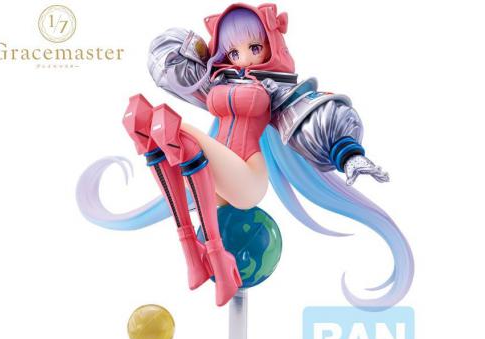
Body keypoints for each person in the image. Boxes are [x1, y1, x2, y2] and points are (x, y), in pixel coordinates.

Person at [76, 3, 413, 309]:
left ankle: (212, 258)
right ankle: (195, 255)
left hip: (247, 177)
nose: (245, 58)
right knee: (142, 120)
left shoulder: (276, 90)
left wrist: (348, 154)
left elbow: (312, 115)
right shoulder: (218, 80)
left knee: (173, 126)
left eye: (254, 47)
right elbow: (175, 70)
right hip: (209, 177)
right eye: (233, 51)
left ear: (270, 45)